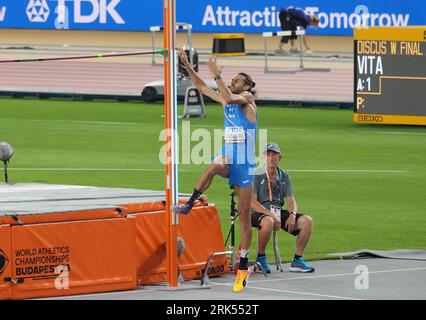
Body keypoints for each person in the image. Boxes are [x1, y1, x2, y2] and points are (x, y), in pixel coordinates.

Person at [176, 48, 257, 293]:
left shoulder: (247, 102)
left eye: (237, 80)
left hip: (244, 161)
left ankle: (243, 266)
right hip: (229, 154)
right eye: (231, 80)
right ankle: (190, 203)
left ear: (247, 86)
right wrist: (188, 66)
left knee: (244, 216)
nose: (233, 82)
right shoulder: (226, 99)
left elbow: (231, 98)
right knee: (212, 166)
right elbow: (202, 88)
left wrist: (219, 78)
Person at [251, 143, 315, 273]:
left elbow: (291, 201)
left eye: (274, 155)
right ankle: (261, 258)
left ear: (280, 158)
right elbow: (252, 202)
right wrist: (271, 215)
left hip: (277, 212)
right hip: (257, 212)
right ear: (263, 157)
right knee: (268, 221)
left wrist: (292, 214)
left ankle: (297, 260)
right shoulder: (256, 174)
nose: (271, 158)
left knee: (307, 221)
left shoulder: (284, 176)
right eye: (268, 155)